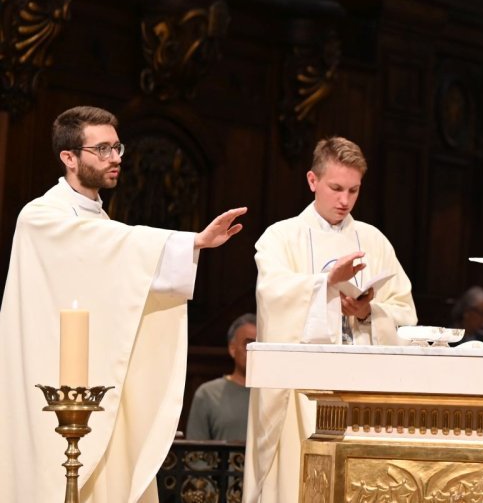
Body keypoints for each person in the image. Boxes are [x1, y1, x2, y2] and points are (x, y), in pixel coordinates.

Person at [0, 105, 246, 503]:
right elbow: (107, 246)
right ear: (69, 157)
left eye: (117, 147)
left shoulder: (100, 223)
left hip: (101, 379)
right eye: (102, 149)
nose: (115, 158)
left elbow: (116, 259)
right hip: (48, 386)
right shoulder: (41, 217)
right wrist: (191, 242)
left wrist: (181, 247)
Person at [246, 137, 418, 503]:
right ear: (312, 181)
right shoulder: (280, 237)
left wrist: (368, 311)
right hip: (299, 396)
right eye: (336, 188)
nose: (345, 200)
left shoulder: (374, 241)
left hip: (363, 393)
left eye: (354, 190)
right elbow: (272, 297)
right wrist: (324, 287)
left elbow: (406, 314)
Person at [186, 313, 257, 441]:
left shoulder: (274, 395)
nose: (254, 351)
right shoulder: (208, 394)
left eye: (259, 345)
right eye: (248, 345)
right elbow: (195, 455)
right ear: (232, 349)